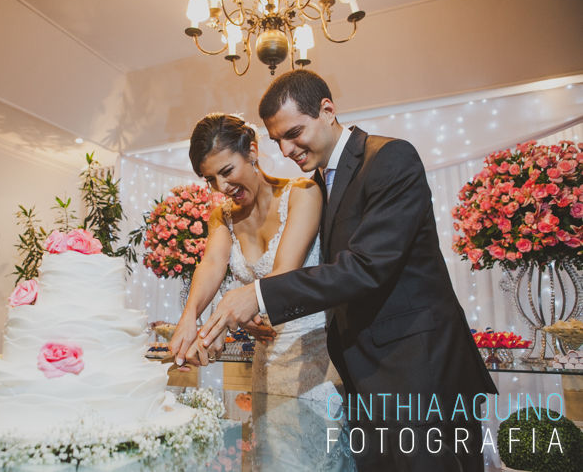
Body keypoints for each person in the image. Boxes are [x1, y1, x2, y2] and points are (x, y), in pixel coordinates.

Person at [195, 70, 498, 471]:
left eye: (294, 132)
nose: (286, 150)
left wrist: (259, 295)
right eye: (277, 140)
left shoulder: (389, 157)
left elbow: (366, 267)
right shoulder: (319, 182)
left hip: (419, 372)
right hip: (359, 378)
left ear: (327, 110)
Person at [169, 113, 342, 402]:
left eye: (227, 171)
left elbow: (285, 272)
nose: (221, 187)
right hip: (266, 364)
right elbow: (212, 264)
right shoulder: (221, 217)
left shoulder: (303, 194)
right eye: (211, 179)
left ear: (251, 151)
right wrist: (188, 318)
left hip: (315, 361)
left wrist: (242, 307)